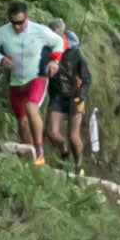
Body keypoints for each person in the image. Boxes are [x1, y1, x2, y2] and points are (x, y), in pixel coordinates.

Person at [0, 0, 62, 164]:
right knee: (23, 122)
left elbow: (58, 42)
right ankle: (29, 155)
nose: (17, 27)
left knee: (31, 107)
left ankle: (39, 151)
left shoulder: (39, 30)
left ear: (27, 17)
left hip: (37, 76)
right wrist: (0, 59)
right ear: (9, 19)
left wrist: (54, 61)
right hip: (16, 81)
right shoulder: (3, 32)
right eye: (14, 23)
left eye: (20, 22)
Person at [45, 21, 92, 167]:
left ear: (62, 33)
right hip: (57, 97)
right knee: (51, 132)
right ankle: (63, 150)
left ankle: (79, 166)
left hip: (75, 97)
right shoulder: (47, 52)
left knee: (73, 136)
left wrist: (80, 97)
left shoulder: (75, 54)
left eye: (57, 33)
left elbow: (87, 79)